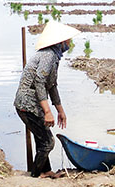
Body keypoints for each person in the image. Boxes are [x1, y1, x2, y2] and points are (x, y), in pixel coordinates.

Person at [14, 21, 80, 178]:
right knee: (48, 142)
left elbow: (52, 86)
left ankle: (46, 170)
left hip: (32, 104)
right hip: (27, 104)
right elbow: (39, 82)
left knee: (41, 138)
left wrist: (60, 111)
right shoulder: (48, 55)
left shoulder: (53, 57)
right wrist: (48, 112)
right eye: (68, 41)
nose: (69, 43)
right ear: (60, 42)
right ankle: (36, 175)